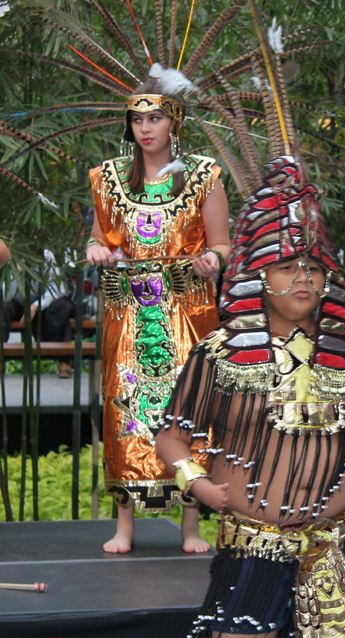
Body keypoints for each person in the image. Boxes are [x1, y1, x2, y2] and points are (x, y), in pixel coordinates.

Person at [156, 155, 345, 638]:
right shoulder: (217, 355)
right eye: (286, 266)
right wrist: (196, 484)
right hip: (252, 542)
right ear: (258, 276)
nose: (303, 278)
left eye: (313, 268)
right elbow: (171, 436)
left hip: (339, 538)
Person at [86, 79, 230, 554]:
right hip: (129, 311)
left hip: (185, 313)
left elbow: (222, 245)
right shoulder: (110, 178)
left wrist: (212, 260)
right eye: (137, 119)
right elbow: (98, 239)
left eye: (155, 118)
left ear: (175, 122)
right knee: (125, 411)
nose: (145, 128)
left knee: (188, 412)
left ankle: (191, 528)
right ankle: (124, 526)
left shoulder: (203, 176)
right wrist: (97, 252)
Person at [2, 250, 74, 378]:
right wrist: (16, 273)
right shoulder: (10, 253)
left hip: (42, 304)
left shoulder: (46, 255)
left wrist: (36, 306)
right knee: (3, 309)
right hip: (18, 303)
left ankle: (64, 360)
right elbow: (6, 296)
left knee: (63, 307)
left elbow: (58, 289)